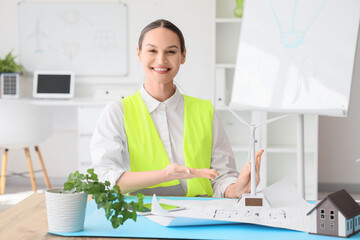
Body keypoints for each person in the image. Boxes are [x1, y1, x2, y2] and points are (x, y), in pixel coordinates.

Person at [90, 19, 264, 198]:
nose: (161, 60)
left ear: (183, 55)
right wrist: (166, 174)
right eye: (152, 50)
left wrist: (236, 189)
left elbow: (221, 177)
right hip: (139, 217)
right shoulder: (118, 112)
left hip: (198, 218)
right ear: (139, 54)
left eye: (171, 51)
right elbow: (105, 179)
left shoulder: (205, 111)